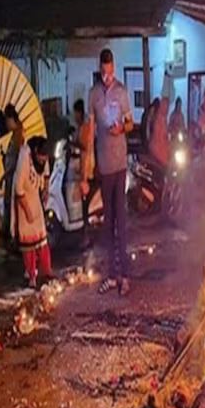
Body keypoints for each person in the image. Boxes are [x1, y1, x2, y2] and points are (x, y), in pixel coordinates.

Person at [88, 49, 133, 296]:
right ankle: (111, 275)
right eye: (104, 72)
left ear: (114, 68)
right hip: (104, 166)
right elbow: (90, 129)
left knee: (121, 222)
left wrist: (121, 129)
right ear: (100, 69)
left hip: (119, 165)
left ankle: (125, 276)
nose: (107, 76)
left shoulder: (122, 92)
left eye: (110, 71)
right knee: (108, 224)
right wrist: (89, 163)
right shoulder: (93, 94)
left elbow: (130, 122)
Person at [11, 136, 52, 288]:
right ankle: (31, 275)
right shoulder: (25, 157)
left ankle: (46, 271)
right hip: (24, 199)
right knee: (29, 242)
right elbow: (18, 189)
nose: (43, 161)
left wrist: (46, 189)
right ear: (35, 152)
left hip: (35, 197)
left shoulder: (43, 157)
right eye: (41, 158)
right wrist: (27, 210)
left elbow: (46, 173)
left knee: (41, 237)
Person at [1, 104, 24, 247]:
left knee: (12, 207)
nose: (6, 125)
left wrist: (5, 174)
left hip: (13, 177)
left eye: (6, 121)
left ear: (11, 119)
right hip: (10, 176)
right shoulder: (16, 134)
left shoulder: (19, 135)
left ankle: (14, 238)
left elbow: (16, 160)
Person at [75, 99, 95, 248]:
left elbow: (85, 146)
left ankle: (86, 236)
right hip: (83, 168)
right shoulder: (82, 127)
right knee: (84, 205)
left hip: (87, 170)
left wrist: (73, 143)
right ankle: (85, 234)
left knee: (85, 205)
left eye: (75, 113)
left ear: (79, 113)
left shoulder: (86, 127)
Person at [149, 97, 171, 169]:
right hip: (158, 150)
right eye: (166, 106)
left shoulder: (163, 118)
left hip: (161, 149)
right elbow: (160, 136)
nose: (167, 109)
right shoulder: (159, 118)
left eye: (168, 106)